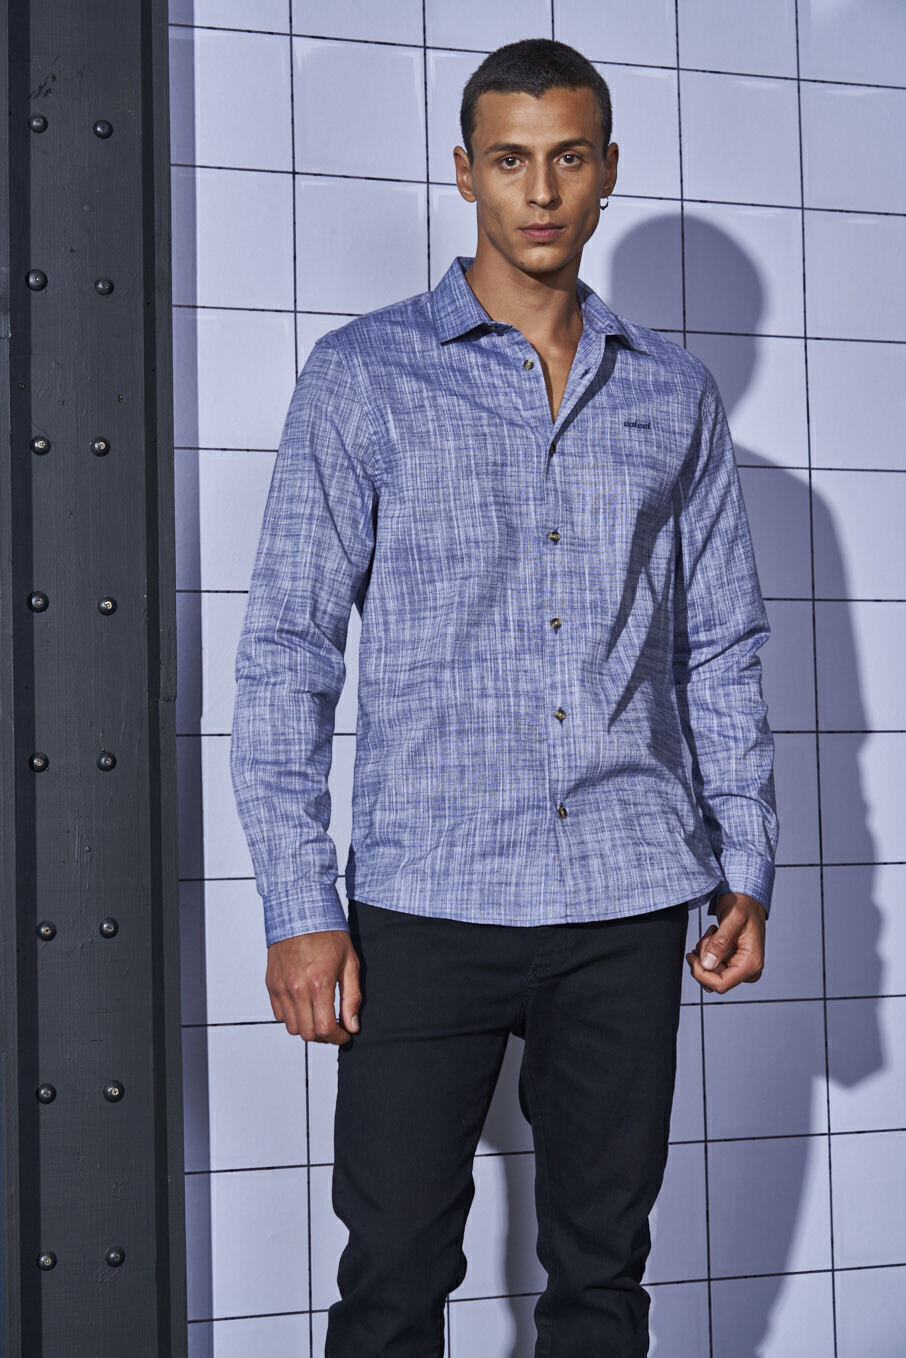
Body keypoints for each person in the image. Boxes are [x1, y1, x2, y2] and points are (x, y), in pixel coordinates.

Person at [230, 35, 778, 1358]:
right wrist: (301, 906)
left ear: (607, 171)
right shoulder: (363, 374)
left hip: (627, 894)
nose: (540, 190)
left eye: (568, 158)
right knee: (392, 1278)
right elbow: (289, 649)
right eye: (511, 160)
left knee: (603, 1275)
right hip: (426, 901)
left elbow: (719, 646)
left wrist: (746, 860)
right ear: (465, 171)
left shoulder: (674, 394)